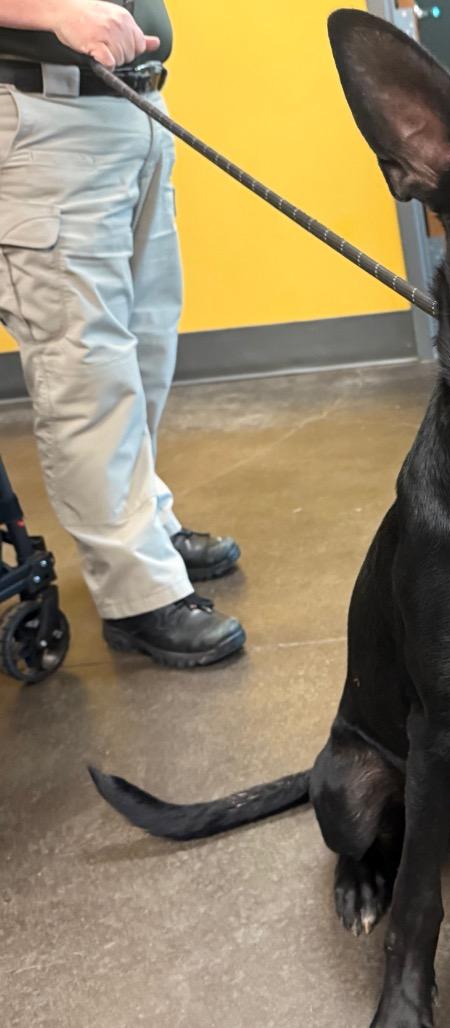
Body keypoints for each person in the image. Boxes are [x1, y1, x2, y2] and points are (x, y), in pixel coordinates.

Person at [0, 0, 245, 668]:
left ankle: (147, 524)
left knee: (144, 346)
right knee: (87, 369)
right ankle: (137, 591)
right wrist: (49, 10)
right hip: (40, 118)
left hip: (131, 109)